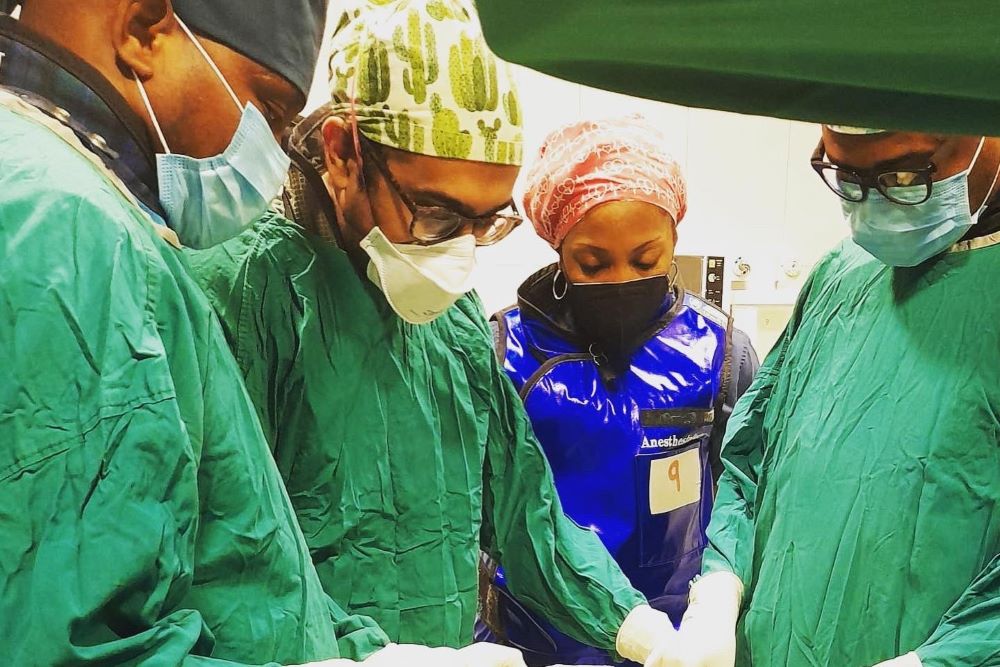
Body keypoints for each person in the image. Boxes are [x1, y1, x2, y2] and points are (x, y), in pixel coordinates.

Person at [188, 1, 685, 665]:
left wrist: (637, 627)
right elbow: (220, 558)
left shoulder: (453, 325)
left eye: (486, 222)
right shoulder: (242, 296)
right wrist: (362, 658)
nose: (460, 252)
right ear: (342, 153)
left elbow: (525, 511)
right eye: (436, 216)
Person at [0, 2, 476, 665]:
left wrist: (359, 650)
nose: (278, 158)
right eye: (274, 113)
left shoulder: (87, 212)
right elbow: (74, 646)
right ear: (143, 30)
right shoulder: (63, 227)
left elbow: (225, 554)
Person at [649, 124, 1000, 667]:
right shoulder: (842, 272)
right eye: (846, 177)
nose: (873, 203)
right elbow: (754, 455)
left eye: (903, 175)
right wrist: (721, 588)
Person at [477, 116, 759, 666]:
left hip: (679, 640)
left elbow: (746, 489)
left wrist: (720, 605)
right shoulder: (504, 353)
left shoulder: (721, 352)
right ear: (559, 249)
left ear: (674, 239)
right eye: (593, 263)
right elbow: (488, 510)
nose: (620, 280)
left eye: (646, 259)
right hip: (536, 637)